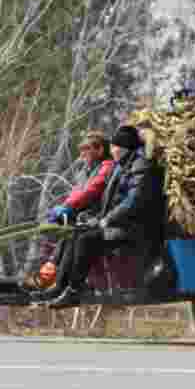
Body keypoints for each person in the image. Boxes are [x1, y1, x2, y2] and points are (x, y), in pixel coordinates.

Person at [45, 125, 166, 308]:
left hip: (133, 227)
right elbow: (107, 200)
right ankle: (62, 286)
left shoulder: (141, 166)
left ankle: (74, 292)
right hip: (117, 223)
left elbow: (132, 202)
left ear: (125, 147)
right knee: (77, 232)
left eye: (116, 146)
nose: (113, 150)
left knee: (86, 239)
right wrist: (94, 219)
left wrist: (106, 220)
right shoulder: (121, 166)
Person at [21, 130, 115, 292]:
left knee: (72, 232)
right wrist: (64, 208)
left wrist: (69, 207)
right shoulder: (86, 170)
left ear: (100, 150)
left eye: (86, 148)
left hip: (98, 216)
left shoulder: (106, 167)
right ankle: (50, 276)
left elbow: (91, 191)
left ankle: (56, 281)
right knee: (62, 230)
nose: (82, 153)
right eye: (81, 148)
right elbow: (77, 193)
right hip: (84, 215)